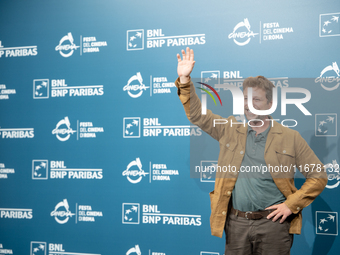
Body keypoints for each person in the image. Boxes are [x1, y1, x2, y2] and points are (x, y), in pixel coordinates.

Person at [175, 47, 328, 254]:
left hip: (274, 226)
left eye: (256, 100)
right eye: (246, 99)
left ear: (270, 104)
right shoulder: (229, 129)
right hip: (236, 224)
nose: (249, 105)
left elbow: (318, 176)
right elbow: (197, 116)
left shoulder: (291, 137)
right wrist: (185, 81)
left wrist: (291, 205)